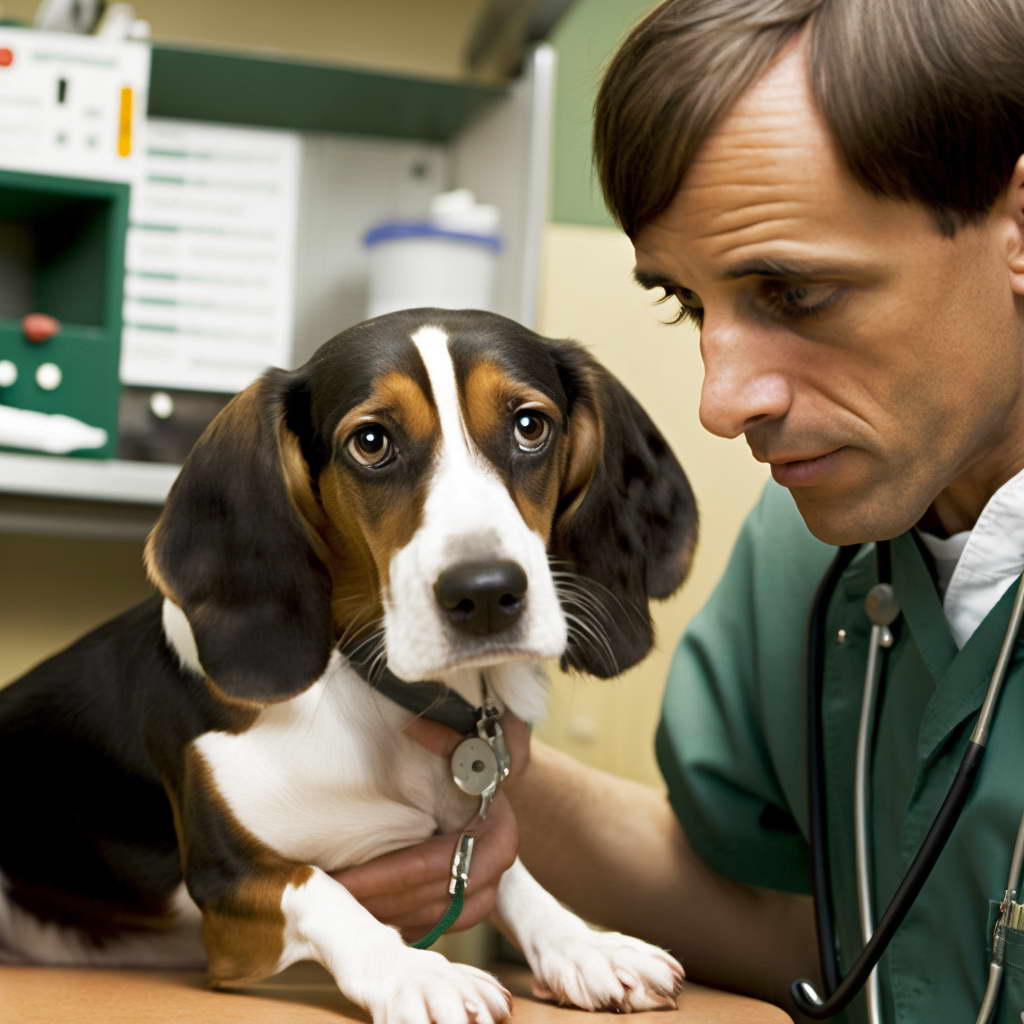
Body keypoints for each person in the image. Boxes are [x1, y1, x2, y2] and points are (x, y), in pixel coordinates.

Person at [339, 1, 1024, 1020]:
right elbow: (823, 923)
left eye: (793, 292)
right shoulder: (802, 548)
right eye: (686, 304)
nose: (719, 401)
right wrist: (450, 756)